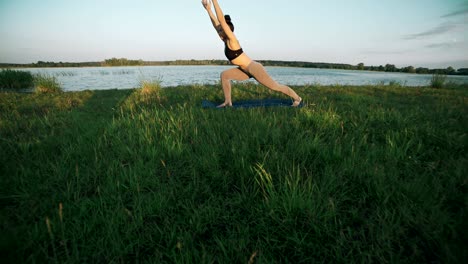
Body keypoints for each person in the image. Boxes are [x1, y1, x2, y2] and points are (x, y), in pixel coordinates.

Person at [201, 0, 302, 108]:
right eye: (219, 31)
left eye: (221, 31)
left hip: (254, 68)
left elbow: (221, 20)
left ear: (227, 31)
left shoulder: (232, 40)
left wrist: (214, 1)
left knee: (275, 86)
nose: (219, 32)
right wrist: (208, 10)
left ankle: (297, 98)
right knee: (224, 75)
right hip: (244, 70)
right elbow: (216, 24)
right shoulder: (225, 40)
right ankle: (228, 102)